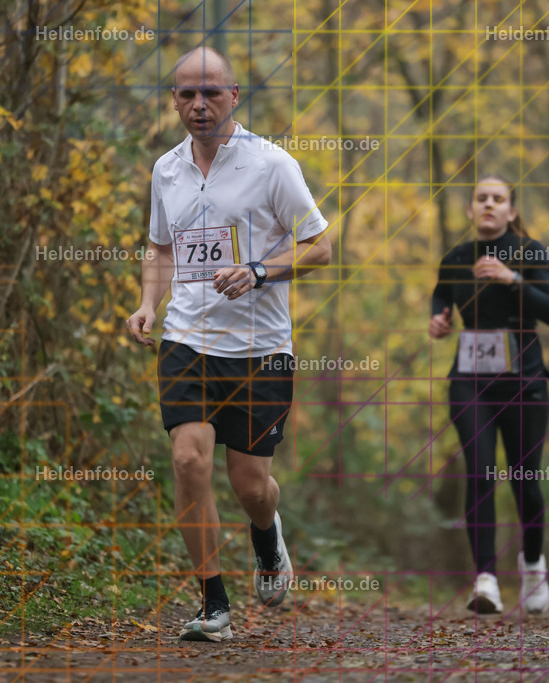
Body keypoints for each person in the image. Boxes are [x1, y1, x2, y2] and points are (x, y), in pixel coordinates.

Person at [126, 46, 331, 641]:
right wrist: (148, 303)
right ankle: (214, 604)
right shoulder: (167, 169)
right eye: (187, 93)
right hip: (187, 338)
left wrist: (261, 271)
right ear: (174, 101)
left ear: (233, 97)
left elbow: (319, 246)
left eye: (211, 92)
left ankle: (266, 538)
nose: (198, 104)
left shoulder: (272, 165)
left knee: (249, 484)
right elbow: (161, 248)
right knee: (189, 459)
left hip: (260, 346)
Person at [428, 174, 549, 614]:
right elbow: (440, 297)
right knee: (481, 472)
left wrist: (512, 279)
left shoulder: (531, 253)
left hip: (524, 381)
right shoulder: (457, 258)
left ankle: (533, 565)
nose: (488, 205)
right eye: (480, 198)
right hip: (470, 380)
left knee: (525, 482)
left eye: (497, 199)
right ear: (471, 210)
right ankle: (485, 579)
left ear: (511, 210)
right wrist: (439, 320)